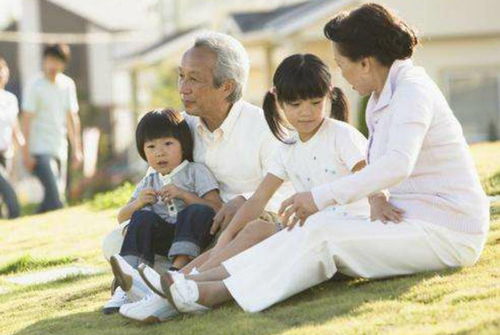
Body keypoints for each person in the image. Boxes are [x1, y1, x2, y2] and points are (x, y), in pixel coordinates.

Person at [119, 3, 490, 316]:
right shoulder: (381, 96)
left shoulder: (412, 90)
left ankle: (209, 294)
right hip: (406, 221)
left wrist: (318, 198)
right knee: (305, 230)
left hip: (448, 232)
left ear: (365, 62)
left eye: (341, 63)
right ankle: (191, 284)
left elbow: (396, 166)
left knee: (323, 233)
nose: (340, 73)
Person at [101, 32, 292, 318]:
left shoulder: (263, 127)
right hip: (190, 229)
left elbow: (290, 186)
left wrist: (245, 201)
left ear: (226, 87)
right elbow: (157, 174)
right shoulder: (180, 127)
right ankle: (158, 284)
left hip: (244, 228)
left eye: (194, 79)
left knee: (253, 235)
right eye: (181, 76)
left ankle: (162, 287)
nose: (183, 88)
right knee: (115, 240)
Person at [103, 109, 223, 314]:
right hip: (165, 238)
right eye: (151, 147)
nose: (159, 152)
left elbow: (216, 207)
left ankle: (176, 271)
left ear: (183, 145)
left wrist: (184, 195)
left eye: (168, 144)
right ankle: (129, 282)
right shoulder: (149, 180)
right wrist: (138, 203)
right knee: (141, 216)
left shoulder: (195, 171)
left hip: (197, 236)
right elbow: (121, 217)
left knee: (196, 210)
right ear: (143, 152)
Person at [21, 43, 83, 213]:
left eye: (57, 61)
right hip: (39, 149)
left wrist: (77, 149)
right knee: (57, 198)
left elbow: (72, 119)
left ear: (64, 64)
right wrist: (25, 153)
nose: (52, 65)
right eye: (49, 60)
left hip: (59, 147)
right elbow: (26, 120)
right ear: (44, 61)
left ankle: (34, 222)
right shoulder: (35, 85)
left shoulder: (67, 84)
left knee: (53, 198)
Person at [0, 57, 24, 219]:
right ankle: (14, 215)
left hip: (6, 153)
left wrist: (23, 146)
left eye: (2, 69)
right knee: (9, 192)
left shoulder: (10, 99)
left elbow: (14, 126)